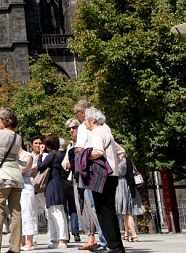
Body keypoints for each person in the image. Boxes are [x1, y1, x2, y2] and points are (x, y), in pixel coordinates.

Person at [85, 107, 126, 253]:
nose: (85, 122)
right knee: (108, 211)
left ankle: (113, 247)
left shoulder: (96, 132)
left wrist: (84, 157)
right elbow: (121, 151)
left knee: (104, 212)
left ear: (93, 120)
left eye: (86, 119)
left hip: (102, 176)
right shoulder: (106, 132)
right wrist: (113, 163)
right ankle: (115, 246)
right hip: (111, 175)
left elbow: (97, 151)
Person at [0, 107, 24, 253]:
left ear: (5, 120)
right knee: (16, 212)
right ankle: (15, 247)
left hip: (2, 175)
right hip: (16, 175)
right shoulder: (18, 136)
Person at [72, 100, 106, 251]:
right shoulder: (104, 127)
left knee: (95, 206)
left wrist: (81, 155)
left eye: (76, 113)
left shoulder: (84, 128)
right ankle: (107, 240)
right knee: (103, 206)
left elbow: (79, 149)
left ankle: (105, 241)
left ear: (82, 113)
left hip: (92, 171)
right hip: (105, 170)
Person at [37, 135, 67, 248]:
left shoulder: (52, 155)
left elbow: (40, 167)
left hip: (52, 185)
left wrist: (40, 154)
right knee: (58, 212)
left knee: (55, 212)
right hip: (59, 184)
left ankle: (61, 239)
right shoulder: (60, 154)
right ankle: (56, 238)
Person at [115, 156, 144, 242]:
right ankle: (126, 234)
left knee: (127, 212)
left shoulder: (116, 161)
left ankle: (134, 235)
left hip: (119, 185)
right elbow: (134, 171)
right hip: (129, 186)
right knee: (126, 212)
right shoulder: (128, 160)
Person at [17, 139, 36, 251]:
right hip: (15, 188)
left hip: (26, 188)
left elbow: (23, 168)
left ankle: (29, 242)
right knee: (17, 217)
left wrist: (14, 161)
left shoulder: (27, 155)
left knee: (27, 215)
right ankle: (21, 241)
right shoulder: (12, 157)